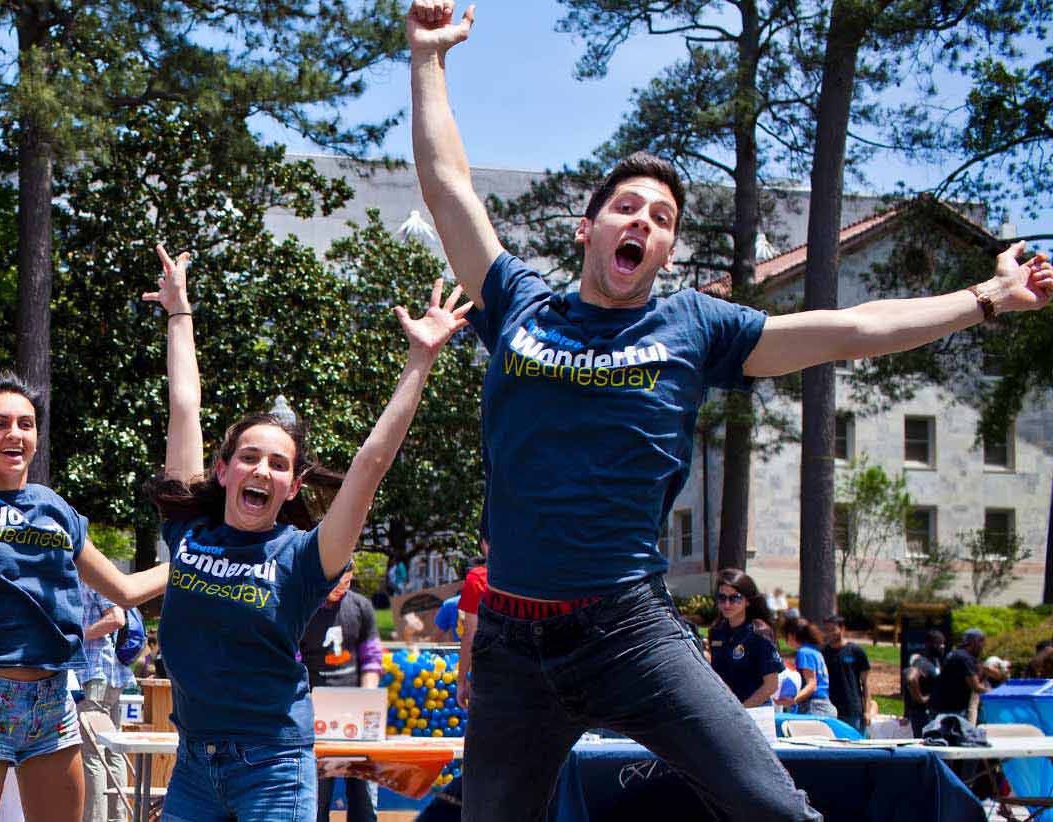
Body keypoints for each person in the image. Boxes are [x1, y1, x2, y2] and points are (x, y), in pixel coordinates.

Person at [405, 0, 1052, 814]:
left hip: (627, 631)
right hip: (510, 645)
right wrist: (428, 58)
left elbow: (853, 328)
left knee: (777, 810)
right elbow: (448, 189)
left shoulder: (693, 326)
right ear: (588, 229)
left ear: (667, 251)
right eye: (628, 207)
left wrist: (988, 297)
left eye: (663, 219)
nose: (644, 221)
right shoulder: (517, 303)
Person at [145, 244, 468, 819]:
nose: (261, 470)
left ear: (293, 487)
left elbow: (370, 464)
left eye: (278, 464)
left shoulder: (302, 557)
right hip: (194, 764)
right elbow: (184, 407)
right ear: (222, 471)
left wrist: (420, 359)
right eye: (249, 457)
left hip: (272, 767)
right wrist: (178, 311)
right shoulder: (190, 531)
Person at [0, 287, 168, 821]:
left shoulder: (55, 508)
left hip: (53, 698)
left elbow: (123, 590)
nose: (15, 433)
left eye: (25, 424)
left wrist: (191, 560)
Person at [303, 569, 383, 822]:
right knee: (317, 799)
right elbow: (292, 661)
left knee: (364, 797)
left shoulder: (361, 606)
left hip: (356, 714)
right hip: (314, 715)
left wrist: (368, 699)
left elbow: (372, 659)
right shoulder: (303, 608)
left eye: (347, 582)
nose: (341, 588)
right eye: (337, 582)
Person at [76, 583, 133, 822]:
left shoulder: (90, 579)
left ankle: (96, 819)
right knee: (112, 751)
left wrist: (77, 636)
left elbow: (116, 618)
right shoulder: (99, 580)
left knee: (93, 754)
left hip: (95, 675)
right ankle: (117, 818)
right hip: (110, 675)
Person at [708, 569, 782, 708]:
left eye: (734, 598)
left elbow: (771, 685)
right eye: (722, 598)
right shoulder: (716, 632)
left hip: (754, 712)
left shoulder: (759, 633)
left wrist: (741, 711)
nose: (727, 604)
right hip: (724, 710)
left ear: (747, 601)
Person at [927, 629, 991, 725]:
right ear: (974, 642)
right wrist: (991, 691)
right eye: (981, 642)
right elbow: (976, 686)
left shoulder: (956, 654)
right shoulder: (964, 658)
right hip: (950, 711)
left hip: (941, 707)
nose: (983, 646)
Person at [821, 615, 871, 731]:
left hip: (852, 710)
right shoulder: (823, 653)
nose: (829, 633)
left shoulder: (856, 651)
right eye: (826, 630)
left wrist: (867, 711)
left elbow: (866, 683)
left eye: (833, 629)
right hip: (829, 709)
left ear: (842, 629)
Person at [778, 619, 834, 717]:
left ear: (791, 635)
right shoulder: (815, 651)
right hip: (824, 705)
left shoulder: (804, 652)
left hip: (814, 707)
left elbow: (811, 684)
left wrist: (793, 700)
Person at [456, 552, 487, 707]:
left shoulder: (478, 578)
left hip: (490, 672)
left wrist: (461, 681)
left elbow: (470, 635)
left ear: (485, 545)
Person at [904, 630, 947, 733]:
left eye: (943, 643)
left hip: (933, 713)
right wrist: (920, 698)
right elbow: (911, 678)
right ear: (929, 644)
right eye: (939, 643)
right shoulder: (922, 662)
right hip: (923, 715)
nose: (942, 646)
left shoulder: (935, 661)